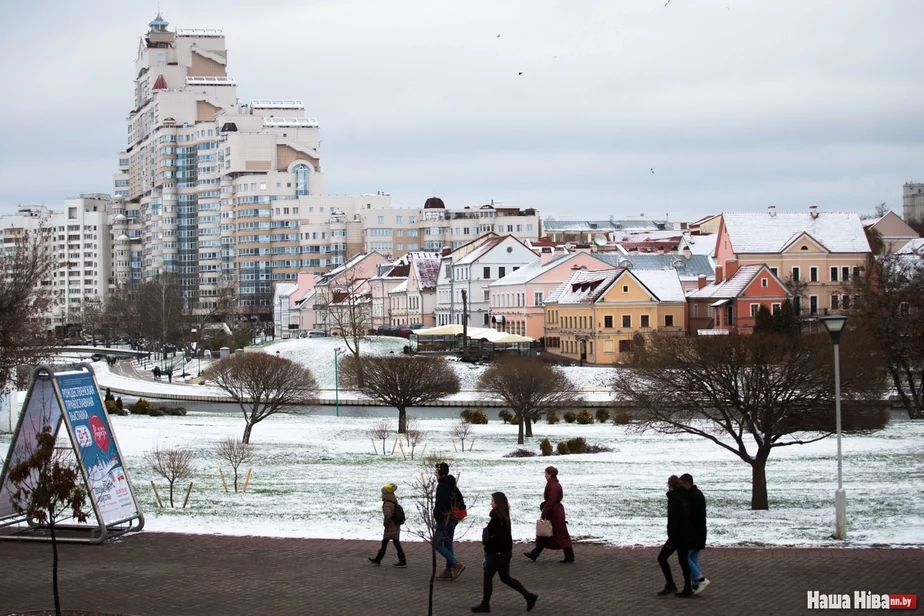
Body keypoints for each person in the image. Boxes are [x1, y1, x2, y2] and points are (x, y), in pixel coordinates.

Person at [471, 492, 539, 613]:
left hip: (496, 554)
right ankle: (529, 596)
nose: (490, 503)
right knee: (505, 578)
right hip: (505, 553)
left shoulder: (497, 518)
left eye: (492, 500)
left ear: (497, 503)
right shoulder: (504, 516)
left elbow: (495, 539)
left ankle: (485, 605)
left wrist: (488, 549)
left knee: (488, 578)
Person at [523, 466, 573, 564]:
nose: (544, 475)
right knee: (546, 534)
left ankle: (569, 556)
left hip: (555, 513)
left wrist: (544, 512)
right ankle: (535, 553)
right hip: (554, 512)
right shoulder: (553, 484)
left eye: (545, 473)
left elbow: (551, 500)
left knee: (560, 534)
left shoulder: (554, 485)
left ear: (549, 474)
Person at [657, 475, 693, 598]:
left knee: (662, 558)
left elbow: (674, 520)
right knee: (683, 561)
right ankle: (687, 587)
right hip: (685, 534)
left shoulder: (674, 499)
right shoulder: (686, 496)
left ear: (670, 485)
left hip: (676, 536)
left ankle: (670, 584)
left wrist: (672, 536)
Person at [434, 462, 465, 581]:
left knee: (436, 543)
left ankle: (455, 564)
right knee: (447, 542)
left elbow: (440, 504)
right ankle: (448, 570)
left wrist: (437, 515)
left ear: (439, 472)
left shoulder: (442, 486)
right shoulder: (451, 483)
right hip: (453, 518)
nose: (434, 472)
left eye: (436, 471)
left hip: (444, 519)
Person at [680, 473, 709, 595]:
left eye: (682, 485)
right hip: (700, 532)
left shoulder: (692, 497)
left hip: (693, 533)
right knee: (693, 558)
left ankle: (700, 579)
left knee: (685, 557)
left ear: (687, 483)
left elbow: (690, 516)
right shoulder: (698, 494)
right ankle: (695, 585)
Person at [368, 483, 407, 568]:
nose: (381, 494)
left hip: (390, 526)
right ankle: (379, 559)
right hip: (395, 526)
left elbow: (387, 516)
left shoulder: (387, 504)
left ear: (386, 494)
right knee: (391, 542)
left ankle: (380, 560)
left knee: (389, 542)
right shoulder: (394, 501)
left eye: (382, 493)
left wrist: (385, 524)